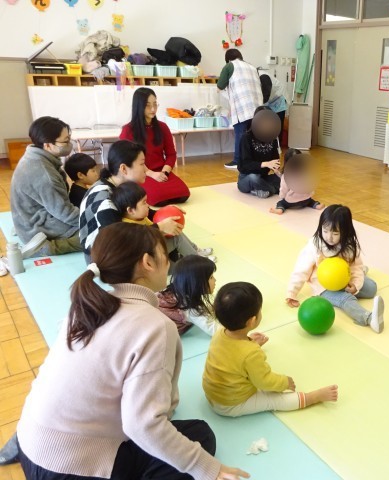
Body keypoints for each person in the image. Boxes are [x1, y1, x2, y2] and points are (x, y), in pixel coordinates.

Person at [13, 222, 249, 480]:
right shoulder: (155, 325)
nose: (169, 262)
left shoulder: (86, 304)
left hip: (29, 443)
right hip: (72, 468)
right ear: (148, 262)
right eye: (165, 255)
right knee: (200, 437)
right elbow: (142, 425)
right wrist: (207, 469)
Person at [202, 281, 338, 417]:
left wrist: (250, 342)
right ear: (252, 321)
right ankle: (313, 397)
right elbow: (264, 381)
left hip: (213, 393)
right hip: (230, 404)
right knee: (275, 400)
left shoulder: (219, 333)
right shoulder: (250, 353)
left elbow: (231, 354)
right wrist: (284, 382)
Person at [79, 140, 212, 264]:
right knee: (168, 236)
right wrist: (159, 228)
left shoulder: (113, 186)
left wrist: (165, 213)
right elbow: (118, 243)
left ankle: (189, 254)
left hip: (114, 249)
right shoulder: (106, 201)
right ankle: (193, 262)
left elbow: (139, 214)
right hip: (107, 260)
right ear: (124, 169)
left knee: (169, 227)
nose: (146, 169)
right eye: (142, 164)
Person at [286, 204, 384, 333]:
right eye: (325, 231)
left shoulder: (349, 245)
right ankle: (369, 319)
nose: (329, 237)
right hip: (324, 287)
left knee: (371, 288)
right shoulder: (315, 246)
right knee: (346, 299)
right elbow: (301, 269)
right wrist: (291, 293)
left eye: (335, 233)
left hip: (344, 279)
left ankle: (363, 272)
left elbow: (355, 267)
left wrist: (356, 285)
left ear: (345, 231)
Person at [9, 116, 80, 257]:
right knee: (98, 234)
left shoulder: (35, 155)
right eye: (65, 141)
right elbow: (65, 212)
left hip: (29, 218)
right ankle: (47, 248)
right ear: (47, 145)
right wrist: (93, 219)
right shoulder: (44, 173)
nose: (69, 144)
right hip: (36, 227)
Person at [120, 87, 191, 206]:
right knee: (158, 198)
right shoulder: (128, 130)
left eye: (155, 104)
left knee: (183, 193)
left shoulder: (162, 127)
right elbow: (129, 159)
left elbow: (171, 154)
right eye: (148, 105)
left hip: (161, 171)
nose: (153, 109)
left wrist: (165, 173)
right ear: (139, 106)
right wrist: (151, 174)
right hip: (141, 173)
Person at [217, 49, 263, 169]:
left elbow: (220, 85)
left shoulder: (230, 66)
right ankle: (254, 160)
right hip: (257, 108)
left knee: (240, 134)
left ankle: (237, 161)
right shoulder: (252, 67)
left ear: (228, 59)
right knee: (254, 135)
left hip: (242, 106)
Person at [157, 255, 219, 336]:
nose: (215, 280)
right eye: (211, 277)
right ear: (196, 283)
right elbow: (214, 330)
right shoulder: (190, 308)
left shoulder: (178, 290)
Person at [237, 107, 282, 198]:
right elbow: (245, 165)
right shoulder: (246, 138)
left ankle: (263, 190)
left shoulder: (272, 138)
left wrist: (278, 173)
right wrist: (266, 164)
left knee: (285, 179)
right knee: (254, 178)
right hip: (247, 178)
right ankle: (273, 190)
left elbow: (275, 160)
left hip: (263, 177)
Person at [269, 149, 323, 215]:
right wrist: (309, 194)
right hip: (306, 199)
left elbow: (283, 189)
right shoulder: (305, 173)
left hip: (292, 201)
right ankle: (316, 205)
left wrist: (282, 197)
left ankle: (280, 209)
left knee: (281, 203)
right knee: (310, 201)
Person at [259, 72, 287, 143]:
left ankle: (278, 146)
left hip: (278, 100)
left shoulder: (263, 77)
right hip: (269, 102)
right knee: (268, 127)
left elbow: (266, 95)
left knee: (277, 128)